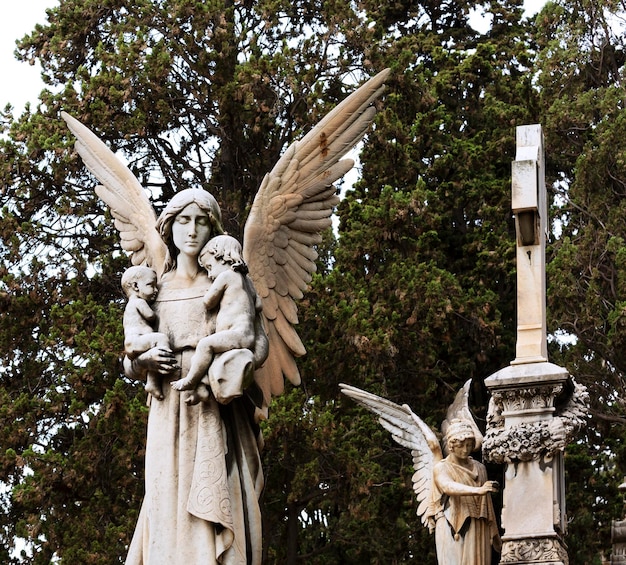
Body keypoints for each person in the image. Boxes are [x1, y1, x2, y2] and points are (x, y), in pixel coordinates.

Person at [123, 189, 267, 565]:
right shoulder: (153, 290)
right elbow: (130, 359)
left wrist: (231, 367)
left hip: (211, 410)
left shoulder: (230, 279)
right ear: (169, 226)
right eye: (183, 221)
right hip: (167, 408)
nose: (191, 231)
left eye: (201, 222)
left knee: (212, 501)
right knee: (164, 496)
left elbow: (257, 346)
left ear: (212, 228)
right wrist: (146, 361)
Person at [170, 235, 263, 406]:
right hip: (245, 335)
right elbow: (258, 305)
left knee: (206, 345)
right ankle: (203, 387)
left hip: (236, 334)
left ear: (223, 257)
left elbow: (208, 301)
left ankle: (191, 379)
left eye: (210, 267)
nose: (210, 274)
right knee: (215, 358)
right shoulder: (247, 282)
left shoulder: (226, 276)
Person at [431, 419, 501, 565]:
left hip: (478, 523)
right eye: (460, 446)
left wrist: (493, 529)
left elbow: (486, 504)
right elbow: (447, 486)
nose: (465, 449)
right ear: (451, 446)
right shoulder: (441, 467)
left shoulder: (480, 468)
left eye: (469, 445)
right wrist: (478, 490)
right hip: (452, 524)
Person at [121, 265, 170, 400]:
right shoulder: (138, 302)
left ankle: (152, 382)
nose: (155, 290)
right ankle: (163, 369)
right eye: (150, 285)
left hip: (133, 341)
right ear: (136, 286)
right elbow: (150, 316)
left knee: (156, 349)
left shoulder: (131, 305)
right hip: (137, 340)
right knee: (161, 339)